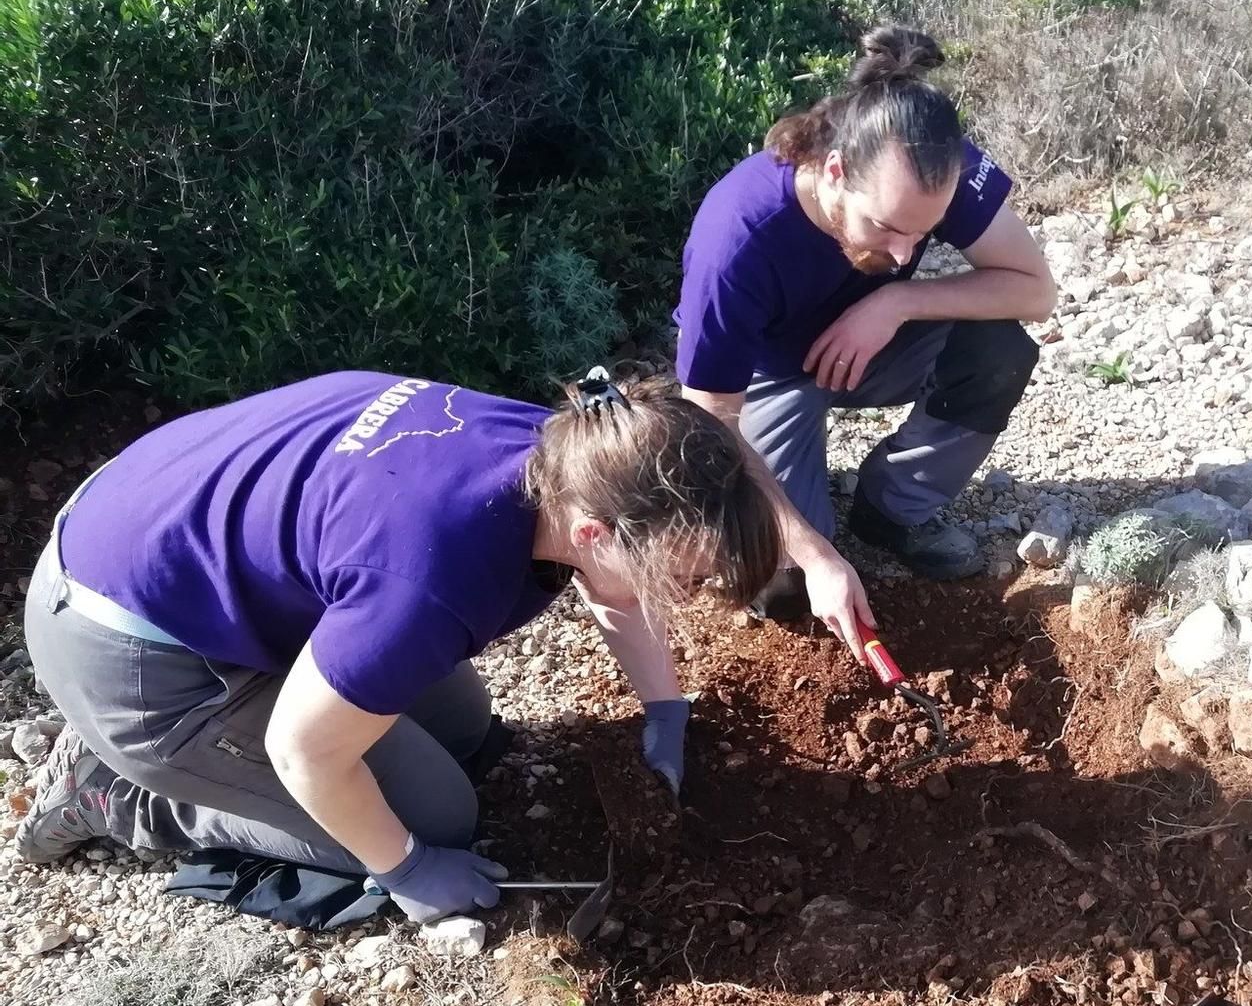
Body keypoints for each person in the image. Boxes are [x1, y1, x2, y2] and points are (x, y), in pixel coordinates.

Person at [14, 369, 777, 924]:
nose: (684, 601)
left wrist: (664, 707)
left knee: (463, 725)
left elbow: (616, 581)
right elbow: (303, 752)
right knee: (433, 818)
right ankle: (119, 793)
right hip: (131, 645)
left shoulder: (572, 453)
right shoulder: (434, 578)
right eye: (681, 578)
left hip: (159, 530)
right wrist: (405, 868)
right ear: (593, 534)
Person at [674, 24, 1057, 619]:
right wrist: (815, 555)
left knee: (998, 351)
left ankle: (892, 510)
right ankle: (800, 518)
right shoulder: (738, 238)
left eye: (922, 232)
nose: (905, 253)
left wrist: (894, 303)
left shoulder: (933, 169)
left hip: (875, 345)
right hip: (767, 377)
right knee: (787, 590)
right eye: (886, 227)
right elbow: (707, 420)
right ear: (833, 173)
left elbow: (1035, 291)